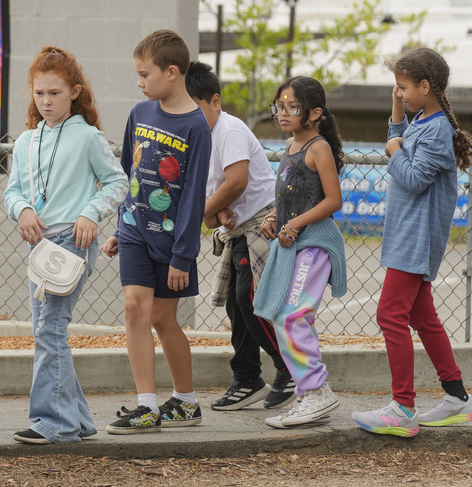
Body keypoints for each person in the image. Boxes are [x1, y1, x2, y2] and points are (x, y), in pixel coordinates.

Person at [3, 47, 128, 444]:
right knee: (46, 328)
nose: (46, 101)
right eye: (39, 93)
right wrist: (21, 209)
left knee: (49, 329)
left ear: (74, 92)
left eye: (54, 93)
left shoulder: (88, 137)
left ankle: (54, 422)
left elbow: (117, 183)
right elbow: (12, 191)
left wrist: (91, 213)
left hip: (73, 241)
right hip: (39, 246)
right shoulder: (25, 142)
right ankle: (78, 419)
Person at [352, 48, 472, 436]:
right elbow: (399, 140)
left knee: (389, 315)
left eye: (404, 87)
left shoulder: (436, 130)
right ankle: (457, 398)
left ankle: (403, 408)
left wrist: (393, 151)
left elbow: (415, 177)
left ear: (426, 86)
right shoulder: (423, 119)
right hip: (408, 235)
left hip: (416, 238)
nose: (399, 92)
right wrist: (397, 115)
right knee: (423, 317)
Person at [102, 29, 211, 434]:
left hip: (171, 243)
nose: (139, 82)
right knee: (135, 308)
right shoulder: (138, 113)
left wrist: (183, 254)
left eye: (145, 74)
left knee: (165, 319)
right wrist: (119, 226)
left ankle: (186, 400)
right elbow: (132, 176)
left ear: (172, 72)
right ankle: (145, 405)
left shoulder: (197, 127)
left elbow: (194, 195)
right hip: (133, 232)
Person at [185, 61, 294, 412]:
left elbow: (236, 182)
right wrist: (213, 212)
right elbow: (210, 196)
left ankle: (290, 370)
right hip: (237, 229)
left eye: (196, 108)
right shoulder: (199, 137)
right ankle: (247, 377)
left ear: (215, 101)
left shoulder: (228, 130)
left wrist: (205, 211)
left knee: (252, 299)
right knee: (237, 302)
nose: (191, 116)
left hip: (261, 223)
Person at [253, 76, 348, 428]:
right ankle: (309, 394)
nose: (283, 112)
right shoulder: (292, 144)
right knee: (283, 315)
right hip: (293, 243)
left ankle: (317, 391)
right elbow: (292, 198)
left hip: (315, 244)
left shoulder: (317, 147)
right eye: (279, 106)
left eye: (293, 106)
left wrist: (293, 225)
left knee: (292, 316)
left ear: (315, 112)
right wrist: (274, 218)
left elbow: (333, 201)